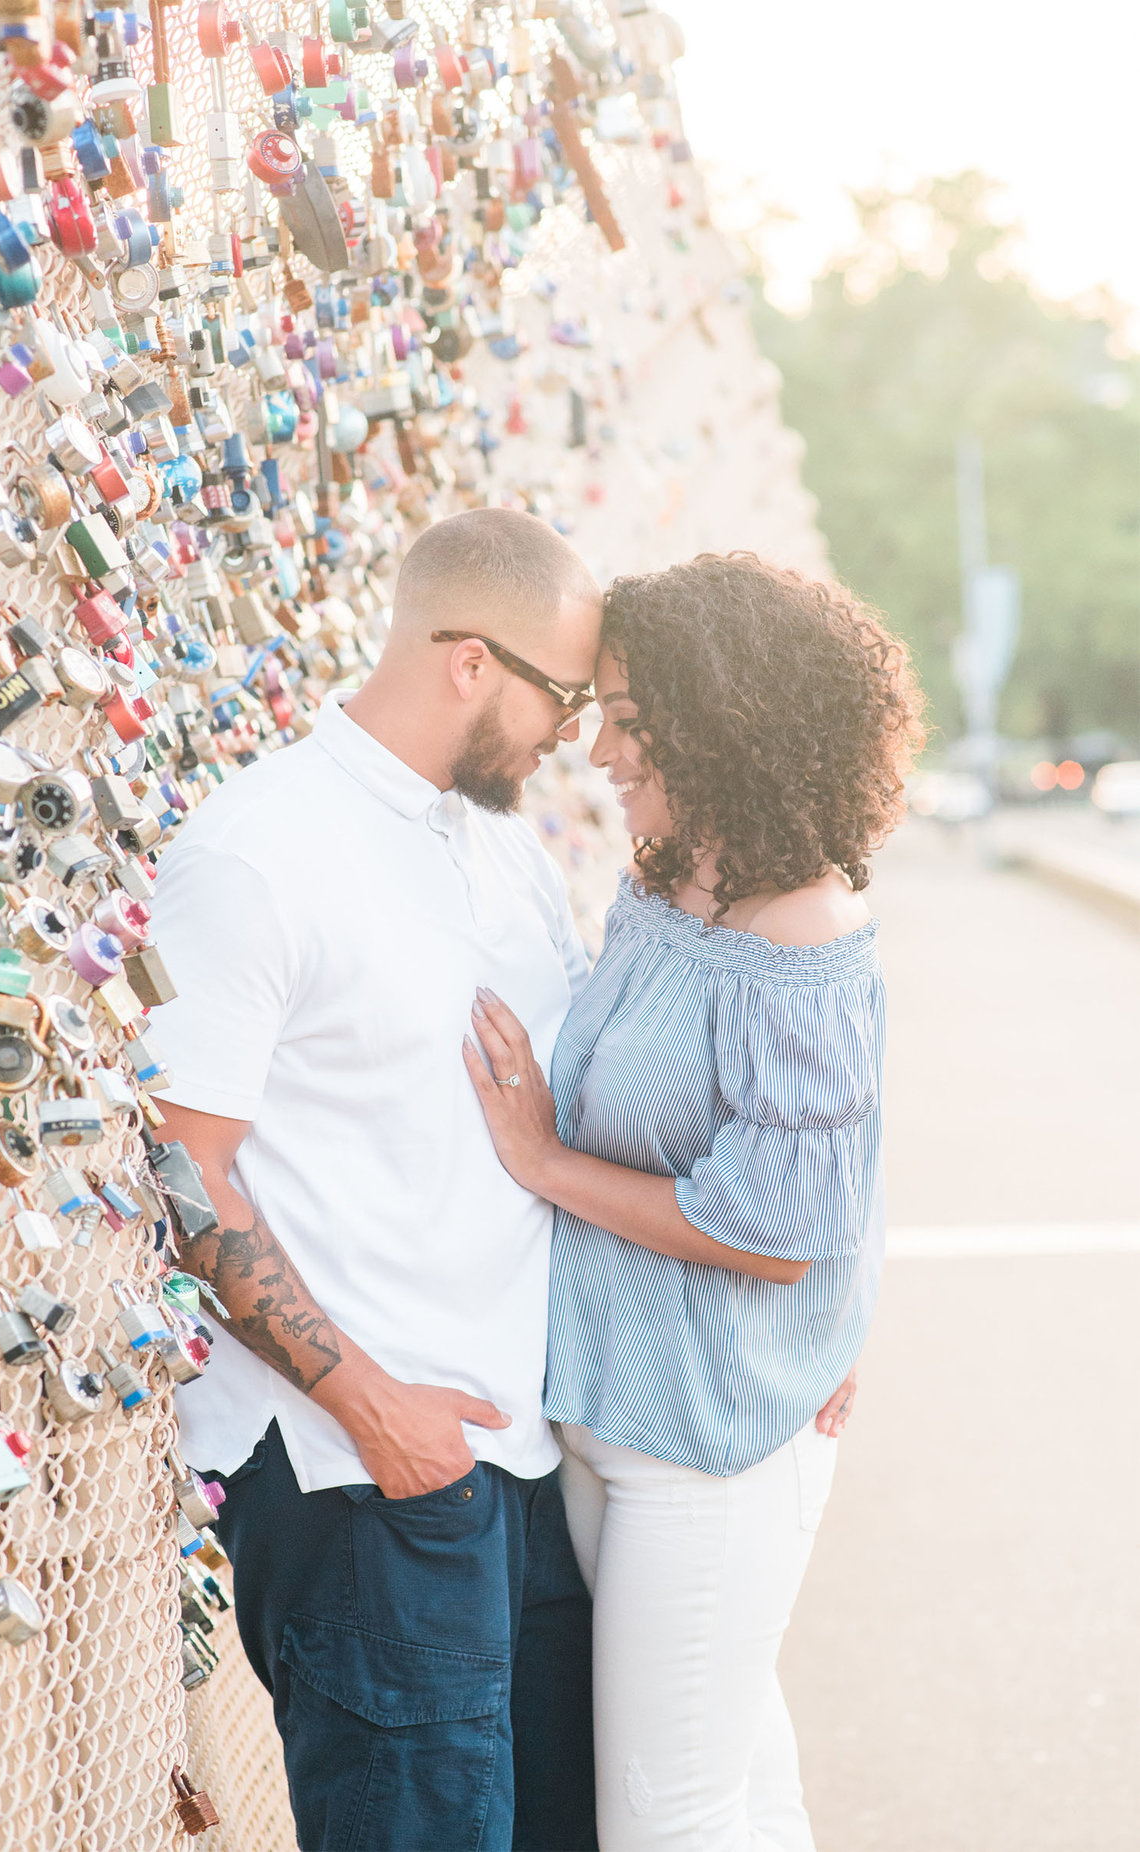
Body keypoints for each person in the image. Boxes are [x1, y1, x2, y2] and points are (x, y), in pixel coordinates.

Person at [145, 506, 607, 1851]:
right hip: (363, 1478)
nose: (569, 734)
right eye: (561, 699)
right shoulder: (259, 848)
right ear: (471, 662)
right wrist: (377, 1411)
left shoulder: (503, 850)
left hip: (522, 1468)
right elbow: (186, 1165)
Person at [462, 553, 923, 1852]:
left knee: (667, 1821)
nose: (600, 750)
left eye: (630, 719)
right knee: (738, 1786)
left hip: (712, 1444)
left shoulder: (806, 933)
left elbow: (787, 1227)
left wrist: (544, 1163)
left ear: (726, 717)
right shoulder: (669, 878)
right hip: (618, 1410)